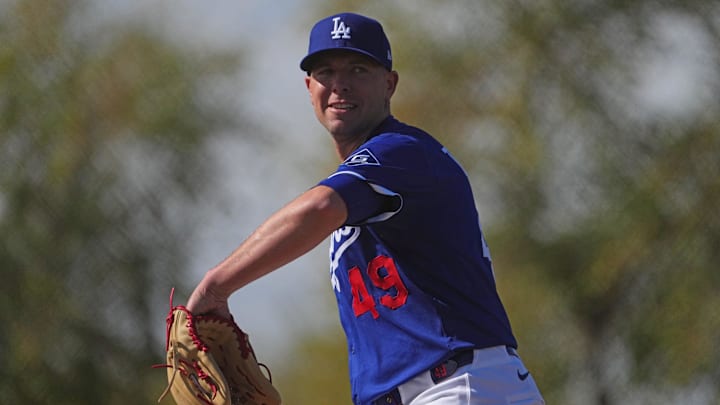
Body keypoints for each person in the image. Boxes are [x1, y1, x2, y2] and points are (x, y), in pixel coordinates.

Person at [187, 12, 545, 405]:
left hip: (459, 386)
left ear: (389, 84)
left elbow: (319, 207)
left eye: (358, 68)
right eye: (325, 71)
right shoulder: (365, 188)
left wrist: (215, 287)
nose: (340, 84)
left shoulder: (404, 152)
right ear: (309, 88)